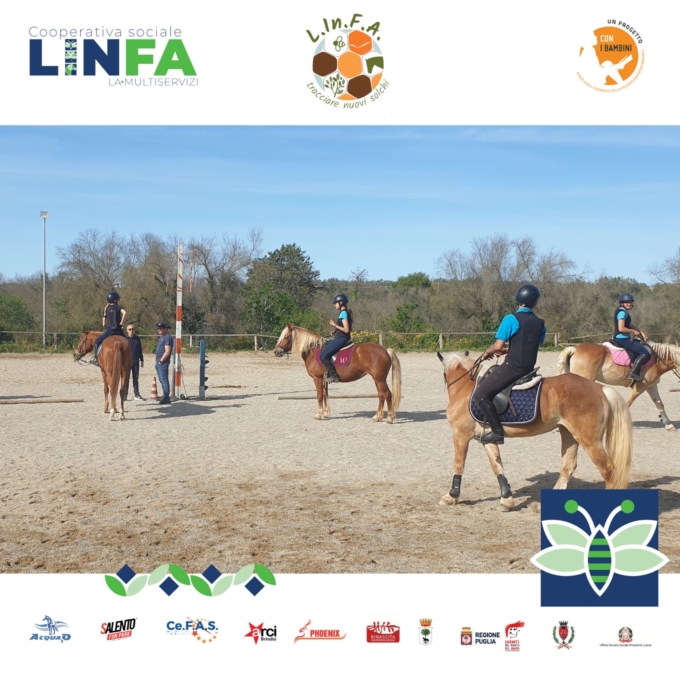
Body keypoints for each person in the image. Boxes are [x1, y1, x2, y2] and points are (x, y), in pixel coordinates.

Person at [472, 284, 546, 445]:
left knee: (480, 395)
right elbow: (527, 344)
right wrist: (508, 350)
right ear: (534, 302)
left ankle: (497, 432)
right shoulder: (540, 323)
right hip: (529, 368)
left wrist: (487, 352)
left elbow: (497, 346)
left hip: (513, 367)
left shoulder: (510, 319)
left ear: (518, 299)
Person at [612, 293, 651, 382]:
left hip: (622, 338)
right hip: (622, 338)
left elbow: (629, 325)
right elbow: (621, 328)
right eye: (627, 302)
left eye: (630, 302)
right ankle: (633, 373)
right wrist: (633, 331)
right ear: (622, 303)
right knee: (645, 353)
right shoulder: (622, 313)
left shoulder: (623, 311)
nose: (629, 304)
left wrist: (641, 332)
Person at [320, 294, 353, 383]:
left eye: (335, 303)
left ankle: (334, 376)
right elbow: (343, 328)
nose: (334, 305)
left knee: (323, 356)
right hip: (340, 336)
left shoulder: (343, 313)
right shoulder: (344, 312)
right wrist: (336, 331)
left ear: (341, 303)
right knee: (325, 344)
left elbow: (346, 329)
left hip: (342, 338)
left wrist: (334, 325)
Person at [92, 292, 126, 366]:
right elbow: (124, 313)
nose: (119, 301)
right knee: (129, 341)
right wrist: (122, 322)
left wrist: (105, 327)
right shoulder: (118, 307)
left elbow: (103, 324)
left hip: (109, 330)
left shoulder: (106, 309)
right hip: (118, 330)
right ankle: (132, 357)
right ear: (115, 300)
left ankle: (96, 359)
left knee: (97, 342)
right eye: (118, 299)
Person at [154, 322, 174, 405]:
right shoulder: (162, 337)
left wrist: (161, 361)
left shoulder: (167, 337)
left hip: (163, 363)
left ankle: (166, 398)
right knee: (161, 380)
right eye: (158, 328)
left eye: (161, 328)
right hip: (159, 362)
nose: (159, 330)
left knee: (164, 380)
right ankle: (164, 395)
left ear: (165, 329)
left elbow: (167, 351)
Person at [125, 323, 145, 401]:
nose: (131, 331)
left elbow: (140, 350)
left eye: (132, 329)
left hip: (136, 361)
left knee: (135, 378)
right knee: (126, 379)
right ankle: (125, 395)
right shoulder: (124, 338)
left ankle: (136, 394)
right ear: (127, 330)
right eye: (130, 329)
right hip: (126, 362)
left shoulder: (137, 339)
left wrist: (142, 360)